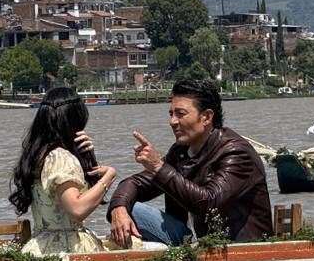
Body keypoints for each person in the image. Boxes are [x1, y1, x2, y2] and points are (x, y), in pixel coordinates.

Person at [107, 78, 272, 247]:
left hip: (241, 248)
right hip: (201, 245)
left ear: (206, 117)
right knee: (127, 206)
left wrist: (158, 167)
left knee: (134, 210)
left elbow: (210, 206)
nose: (172, 121)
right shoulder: (180, 152)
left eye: (180, 114)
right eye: (171, 114)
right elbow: (134, 183)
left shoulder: (236, 153)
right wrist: (118, 208)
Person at [9, 86, 119, 255]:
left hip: (41, 243)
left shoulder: (39, 154)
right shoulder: (61, 158)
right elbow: (77, 209)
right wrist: (109, 176)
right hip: (66, 248)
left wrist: (89, 157)